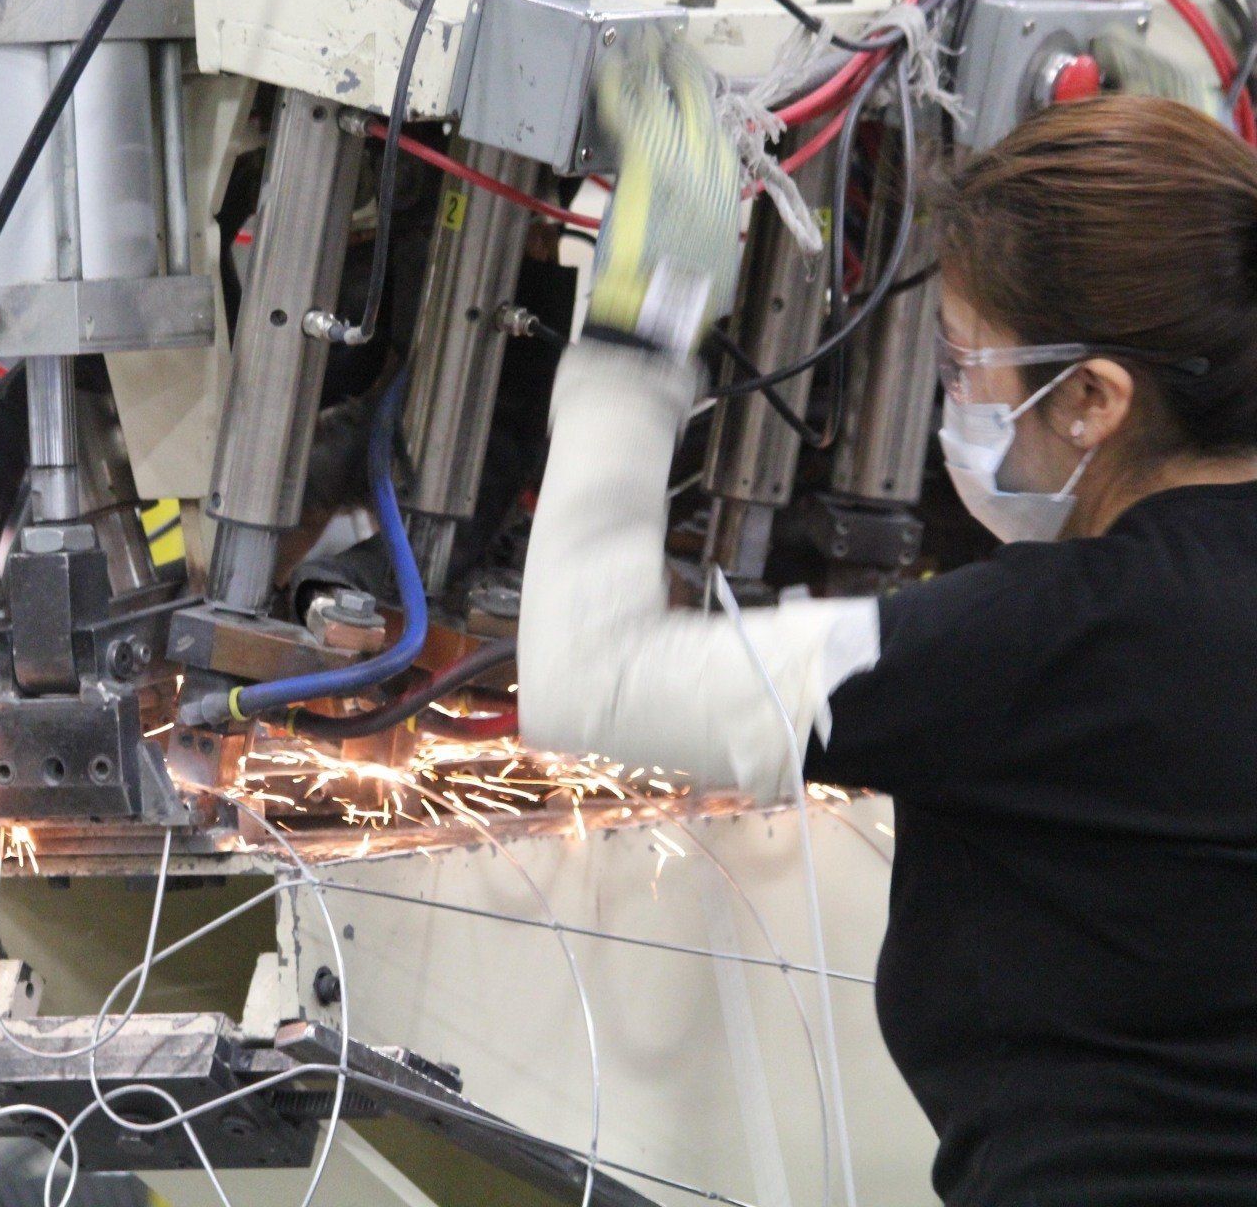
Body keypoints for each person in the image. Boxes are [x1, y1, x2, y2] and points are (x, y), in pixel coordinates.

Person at [520, 92, 1257, 1204]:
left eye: (966, 368)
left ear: (1096, 398)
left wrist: (641, 327)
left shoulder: (1057, 636)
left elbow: (593, 675)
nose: (954, 403)